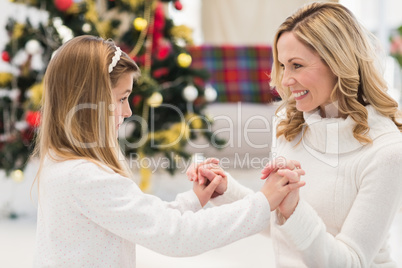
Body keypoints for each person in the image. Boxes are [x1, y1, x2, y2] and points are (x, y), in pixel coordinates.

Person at [31, 35, 306, 267]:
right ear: (90, 101)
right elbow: (177, 235)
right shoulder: (85, 177)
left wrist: (194, 199)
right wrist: (262, 201)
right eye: (122, 99)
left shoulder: (62, 164)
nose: (127, 112)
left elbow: (146, 216)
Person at [188, 2, 402, 267]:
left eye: (297, 65)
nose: (285, 80)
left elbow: (351, 262)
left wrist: (293, 208)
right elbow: (283, 224)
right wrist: (226, 190)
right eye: (282, 65)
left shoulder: (386, 151)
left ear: (339, 63)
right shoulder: (290, 124)